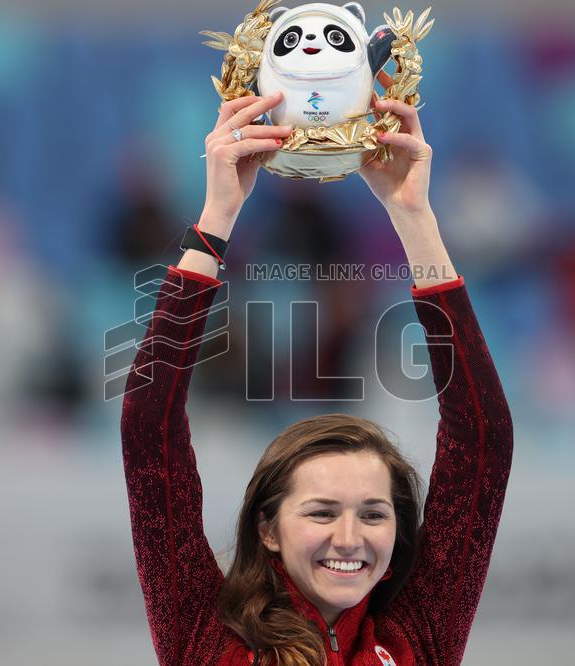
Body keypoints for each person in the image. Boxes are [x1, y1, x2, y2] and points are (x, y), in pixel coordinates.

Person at [121, 87, 513, 665]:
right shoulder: (208, 635)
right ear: (268, 529)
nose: (350, 539)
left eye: (374, 514)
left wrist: (413, 216)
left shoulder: (416, 636)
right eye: (322, 511)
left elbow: (484, 439)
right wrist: (217, 216)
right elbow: (148, 429)